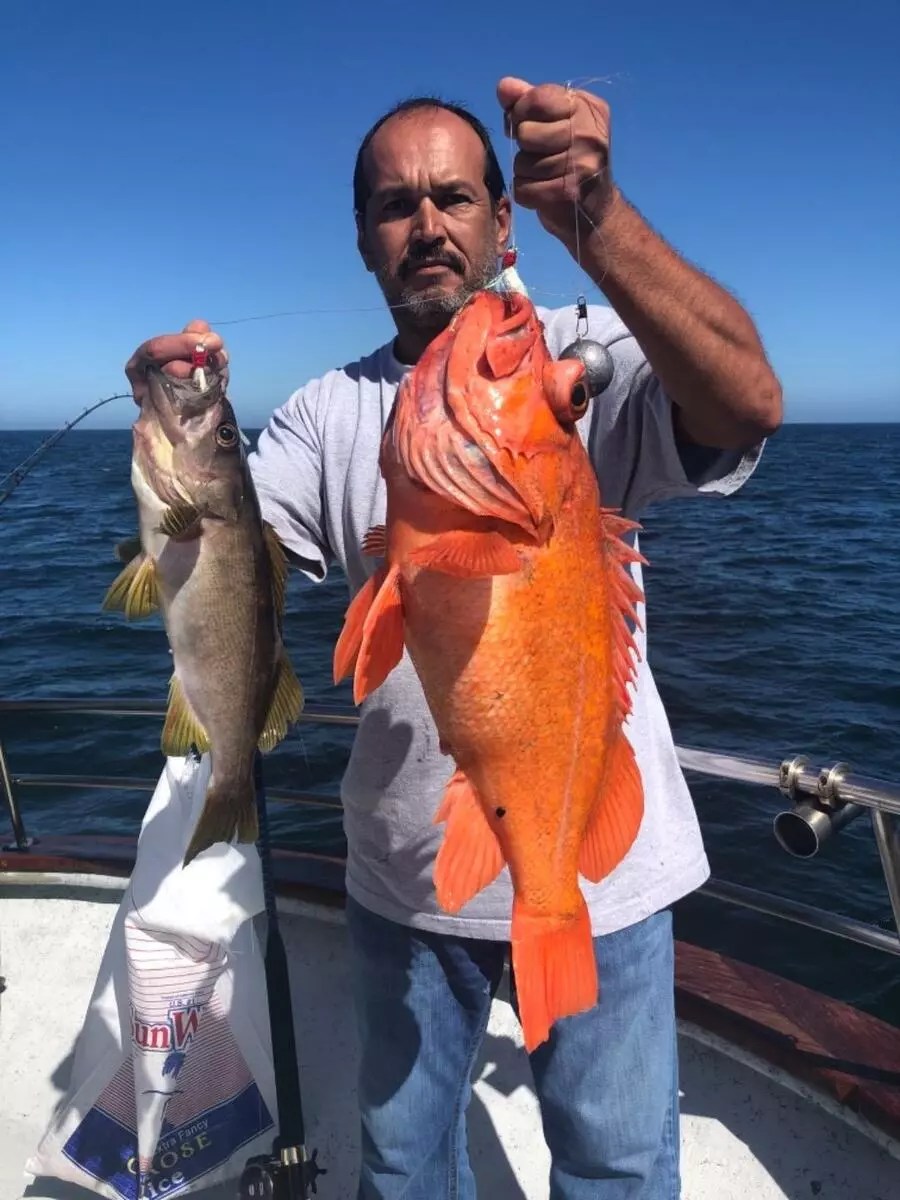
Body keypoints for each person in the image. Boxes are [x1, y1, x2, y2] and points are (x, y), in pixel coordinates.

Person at [126, 77, 782, 1200]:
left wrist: (599, 218)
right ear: (364, 239)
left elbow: (747, 404)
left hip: (598, 869)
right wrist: (172, 427)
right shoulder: (324, 414)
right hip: (405, 875)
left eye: (455, 197)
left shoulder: (565, 358)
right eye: (397, 205)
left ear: (502, 217)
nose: (428, 224)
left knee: (619, 1167)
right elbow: (225, 558)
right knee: (403, 1164)